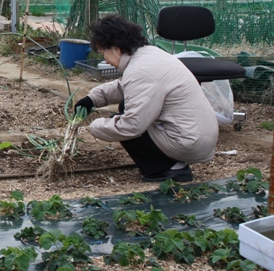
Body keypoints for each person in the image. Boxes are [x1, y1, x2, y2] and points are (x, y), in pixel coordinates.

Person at [74, 14, 218, 182]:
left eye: (103, 52)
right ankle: (169, 161)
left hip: (188, 141)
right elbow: (126, 86)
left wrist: (95, 127)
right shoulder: (149, 55)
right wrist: (92, 99)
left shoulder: (140, 71)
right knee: (125, 106)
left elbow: (132, 126)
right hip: (195, 134)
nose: (104, 59)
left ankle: (170, 169)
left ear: (116, 49)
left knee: (122, 121)